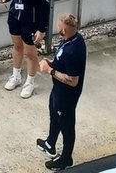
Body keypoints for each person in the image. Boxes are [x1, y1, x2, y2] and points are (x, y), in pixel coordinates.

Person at [0, 0, 51, 99]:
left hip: (30, 23)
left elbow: (45, 9)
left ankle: (30, 82)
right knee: (17, 47)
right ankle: (16, 75)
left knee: (30, 54)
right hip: (15, 18)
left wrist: (42, 29)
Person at [37, 14, 87, 170]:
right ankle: (50, 143)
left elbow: (73, 80)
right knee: (53, 113)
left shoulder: (72, 51)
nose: (57, 29)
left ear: (64, 30)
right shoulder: (73, 39)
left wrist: (50, 70)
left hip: (66, 95)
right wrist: (51, 62)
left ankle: (66, 158)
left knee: (66, 124)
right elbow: (62, 60)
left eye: (59, 27)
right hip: (58, 89)